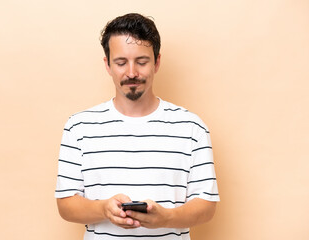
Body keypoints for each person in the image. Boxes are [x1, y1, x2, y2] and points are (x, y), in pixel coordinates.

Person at [55, 13, 220, 240]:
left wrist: (166, 218)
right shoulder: (79, 127)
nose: (132, 72)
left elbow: (207, 206)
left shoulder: (192, 127)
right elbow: (66, 204)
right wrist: (103, 208)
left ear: (157, 62)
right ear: (108, 65)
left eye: (142, 62)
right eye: (121, 62)